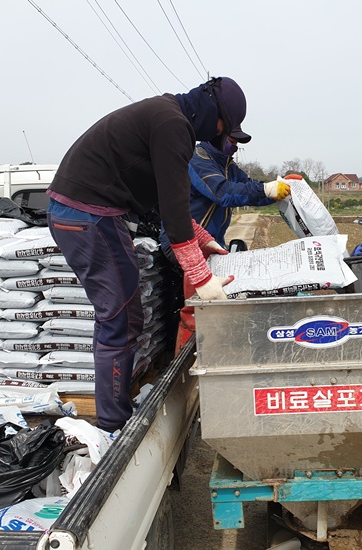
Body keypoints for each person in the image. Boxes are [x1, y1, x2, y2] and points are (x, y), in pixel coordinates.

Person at [45, 76, 248, 432]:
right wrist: (202, 279)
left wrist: (199, 235)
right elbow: (173, 207)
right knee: (120, 317)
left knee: (123, 314)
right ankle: (113, 424)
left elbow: (165, 198)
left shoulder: (167, 115)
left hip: (84, 213)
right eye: (223, 128)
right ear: (213, 112)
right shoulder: (173, 125)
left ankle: (116, 408)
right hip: (88, 216)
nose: (220, 137)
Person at [161, 132, 295, 351]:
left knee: (228, 292)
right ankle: (187, 363)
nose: (234, 147)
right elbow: (222, 193)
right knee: (200, 305)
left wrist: (280, 188)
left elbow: (249, 189)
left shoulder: (229, 167)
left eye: (237, 144)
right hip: (184, 242)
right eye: (231, 142)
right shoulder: (198, 160)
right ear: (215, 136)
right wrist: (265, 189)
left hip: (210, 244)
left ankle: (220, 347)